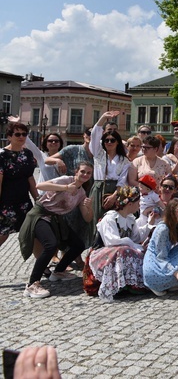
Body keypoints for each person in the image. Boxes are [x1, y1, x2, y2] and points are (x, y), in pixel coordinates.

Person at [18, 162, 94, 299]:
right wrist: (65, 188)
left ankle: (58, 272)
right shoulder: (66, 180)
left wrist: (89, 207)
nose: (85, 175)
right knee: (50, 245)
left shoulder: (81, 193)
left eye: (89, 173)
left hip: (56, 219)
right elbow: (39, 186)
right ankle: (32, 284)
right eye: (83, 171)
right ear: (76, 172)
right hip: (40, 215)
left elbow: (87, 218)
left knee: (79, 245)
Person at [87, 186, 151, 301]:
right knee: (123, 250)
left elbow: (136, 238)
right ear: (130, 204)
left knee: (137, 250)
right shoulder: (110, 218)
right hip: (103, 253)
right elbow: (111, 241)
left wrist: (149, 224)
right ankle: (115, 284)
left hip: (118, 252)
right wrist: (130, 243)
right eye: (138, 202)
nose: (139, 204)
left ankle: (130, 283)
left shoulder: (130, 219)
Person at [88, 111, 135, 247]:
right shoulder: (98, 153)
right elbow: (95, 135)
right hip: (98, 188)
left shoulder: (124, 160)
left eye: (112, 140)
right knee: (96, 221)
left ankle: (110, 250)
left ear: (118, 142)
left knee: (113, 221)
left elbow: (123, 180)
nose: (109, 142)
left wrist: (114, 196)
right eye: (106, 140)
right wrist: (103, 118)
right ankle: (94, 250)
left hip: (116, 191)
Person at [142, 198, 178, 295]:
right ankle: (163, 284)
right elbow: (160, 257)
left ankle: (172, 284)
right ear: (170, 212)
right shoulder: (163, 229)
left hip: (163, 260)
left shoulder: (177, 225)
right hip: (155, 268)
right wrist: (176, 273)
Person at [0, 122, 37, 250]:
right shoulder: (2, 155)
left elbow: (30, 178)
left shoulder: (28, 154)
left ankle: (42, 268)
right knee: (2, 234)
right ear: (9, 136)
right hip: (6, 202)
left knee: (33, 233)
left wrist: (37, 199)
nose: (21, 137)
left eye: (24, 134)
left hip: (24, 202)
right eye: (17, 134)